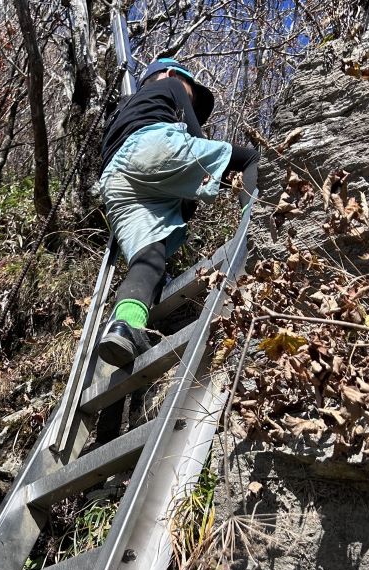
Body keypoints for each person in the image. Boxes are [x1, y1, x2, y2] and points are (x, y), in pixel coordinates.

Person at [96, 57, 260, 367]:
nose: (191, 100)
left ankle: (125, 326)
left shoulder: (120, 110)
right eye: (192, 92)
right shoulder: (171, 83)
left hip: (114, 181)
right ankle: (259, 226)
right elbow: (197, 140)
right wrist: (207, 177)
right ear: (171, 74)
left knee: (150, 256)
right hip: (150, 147)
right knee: (248, 159)